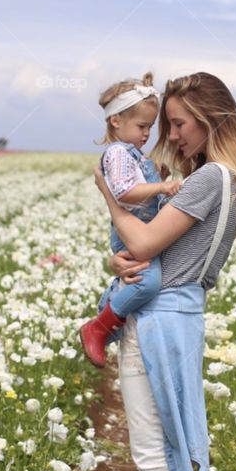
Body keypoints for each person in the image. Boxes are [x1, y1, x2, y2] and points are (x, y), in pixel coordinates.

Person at [84, 72, 236, 471]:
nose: (172, 135)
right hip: (177, 318)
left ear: (211, 121)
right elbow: (148, 251)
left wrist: (109, 196)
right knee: (160, 456)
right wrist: (119, 260)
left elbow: (141, 241)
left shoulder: (210, 178)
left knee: (154, 460)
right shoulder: (225, 179)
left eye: (180, 124)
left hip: (160, 323)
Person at [78, 73, 182, 367]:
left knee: (141, 280)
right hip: (130, 229)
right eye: (141, 126)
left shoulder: (132, 154)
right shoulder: (117, 153)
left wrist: (157, 179)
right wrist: (160, 187)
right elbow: (125, 192)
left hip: (140, 227)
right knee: (147, 283)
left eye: (150, 126)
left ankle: (109, 306)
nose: (147, 133)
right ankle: (98, 328)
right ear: (115, 121)